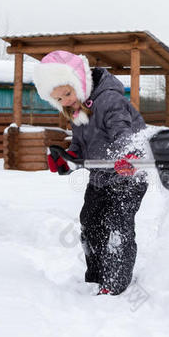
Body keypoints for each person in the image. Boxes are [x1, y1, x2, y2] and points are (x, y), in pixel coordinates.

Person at [33, 50, 148, 295]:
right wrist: (67, 158)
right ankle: (96, 277)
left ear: (80, 81)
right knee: (90, 221)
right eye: (58, 98)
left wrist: (127, 154)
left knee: (117, 225)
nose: (65, 100)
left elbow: (122, 130)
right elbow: (81, 144)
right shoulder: (77, 109)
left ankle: (115, 283)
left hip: (129, 174)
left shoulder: (109, 100)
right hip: (101, 175)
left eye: (67, 92)